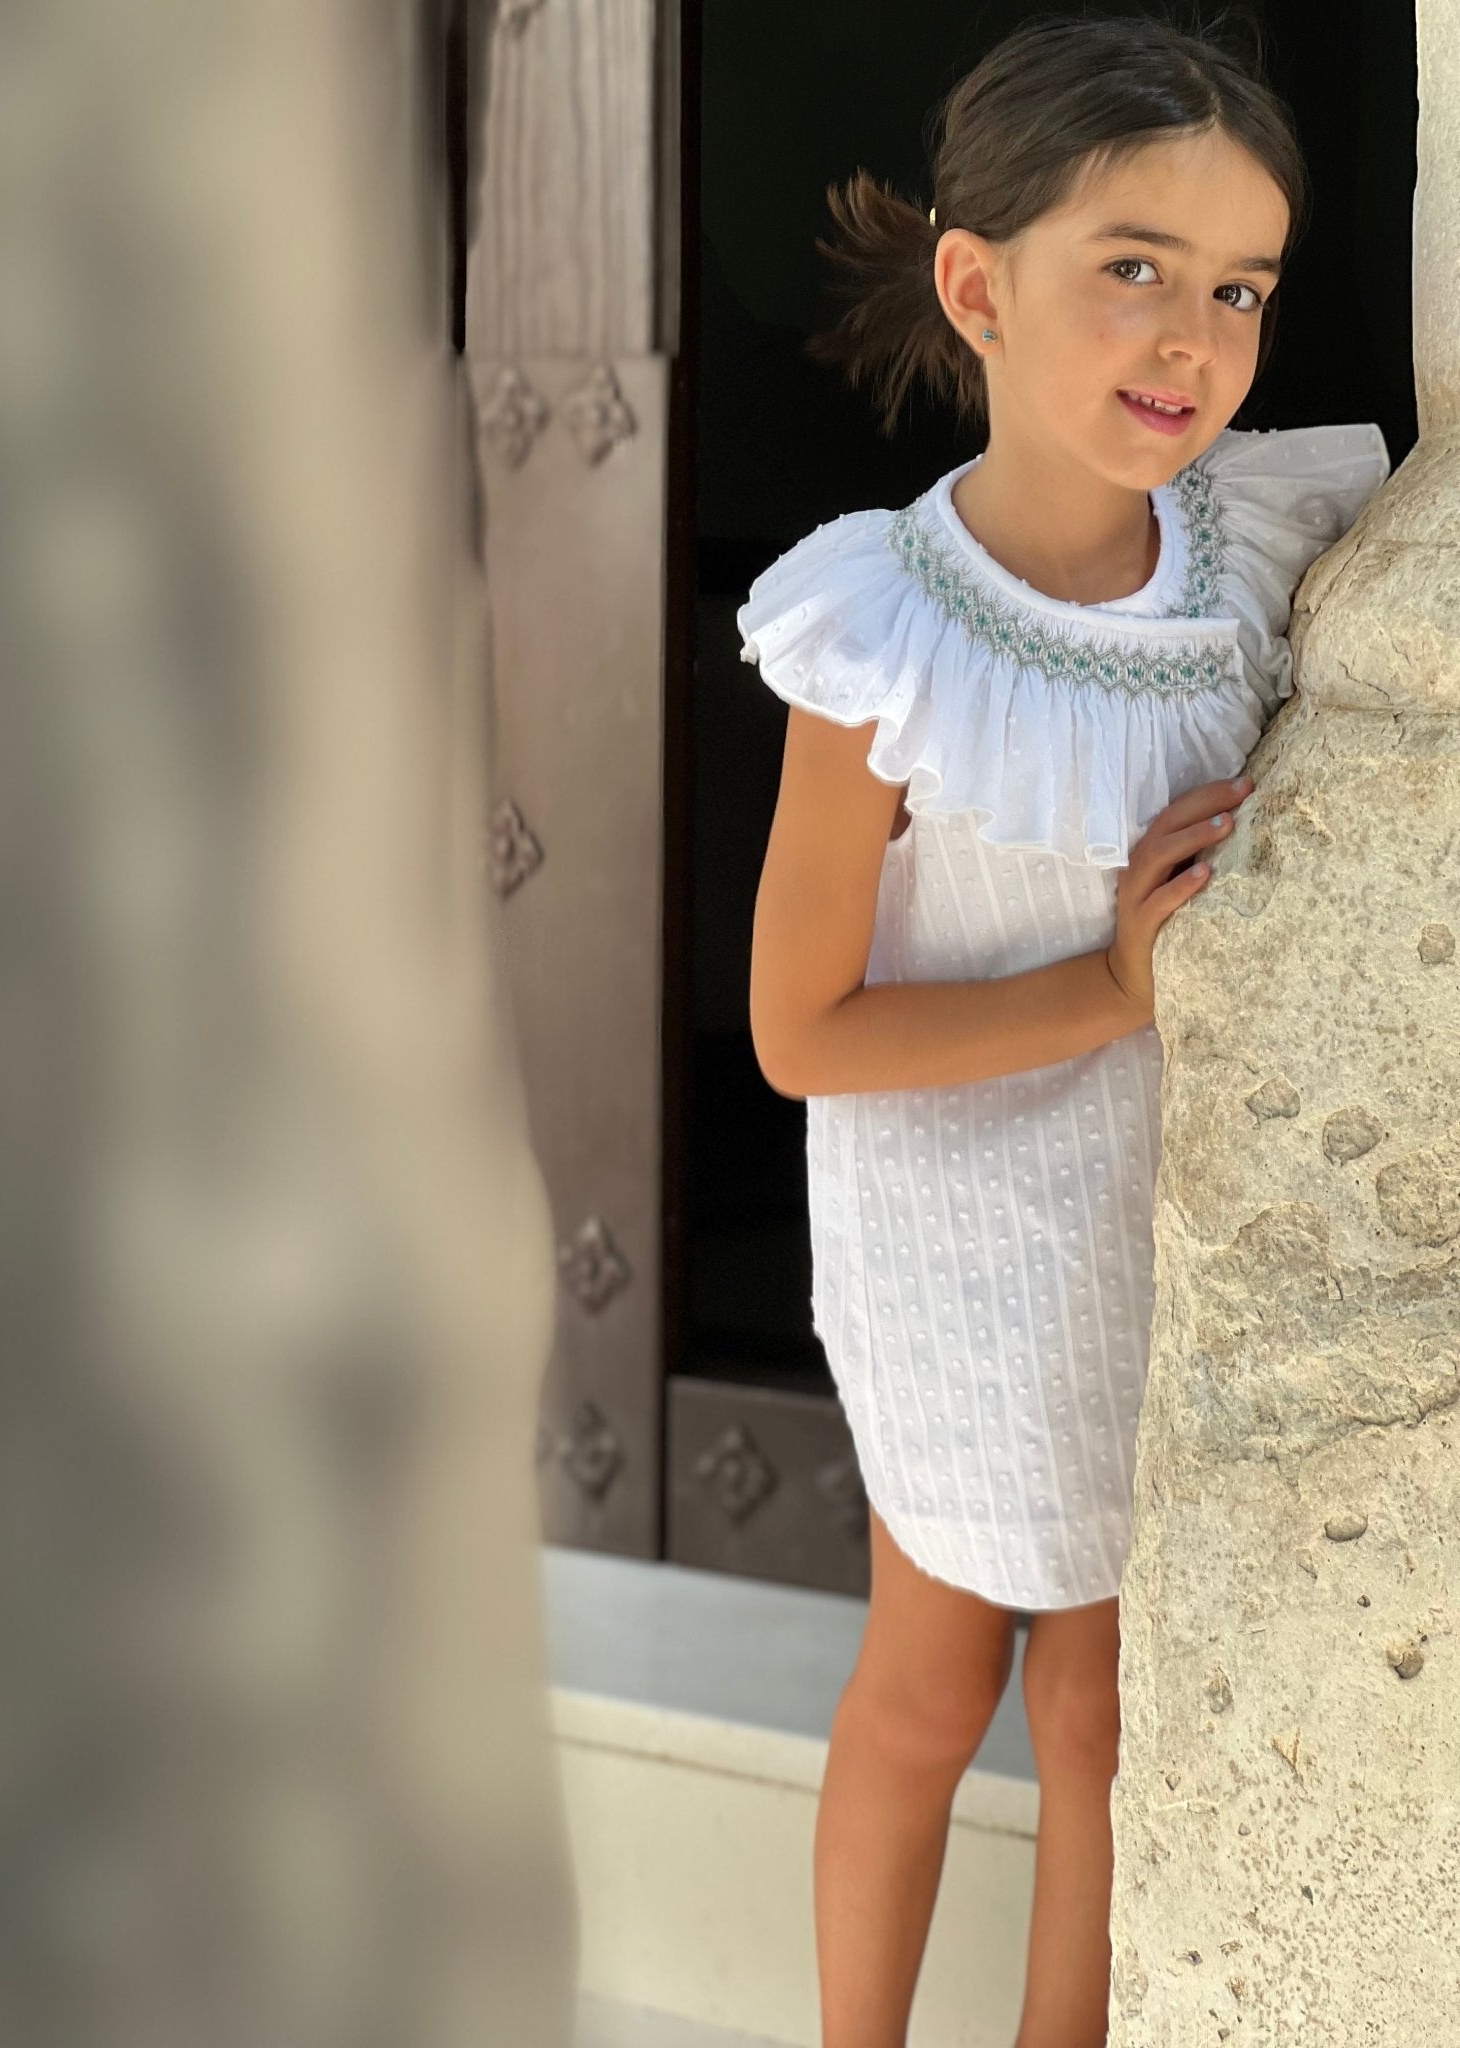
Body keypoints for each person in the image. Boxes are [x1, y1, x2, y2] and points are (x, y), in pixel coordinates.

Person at [736, 13, 1390, 2047]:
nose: (1193, 335)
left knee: (1106, 1695)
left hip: (1155, 1223)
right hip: (958, 1231)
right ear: (975, 283)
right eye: (1136, 265)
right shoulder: (881, 636)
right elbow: (802, 1031)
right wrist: (1107, 986)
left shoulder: (1251, 549)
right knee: (934, 1682)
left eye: (1241, 287)